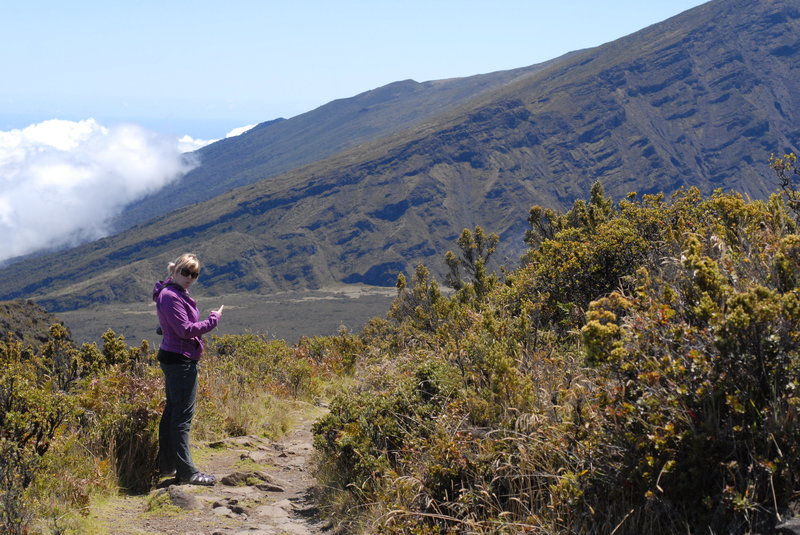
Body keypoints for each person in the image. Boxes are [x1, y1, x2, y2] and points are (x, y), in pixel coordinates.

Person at [152, 253, 223, 486]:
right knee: (181, 417)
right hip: (180, 360)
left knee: (173, 413)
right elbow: (185, 330)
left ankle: (168, 465)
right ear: (175, 271)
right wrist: (213, 319)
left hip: (175, 357)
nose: (190, 277)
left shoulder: (173, 293)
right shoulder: (171, 296)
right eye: (186, 272)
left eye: (194, 274)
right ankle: (187, 472)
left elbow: (172, 326)